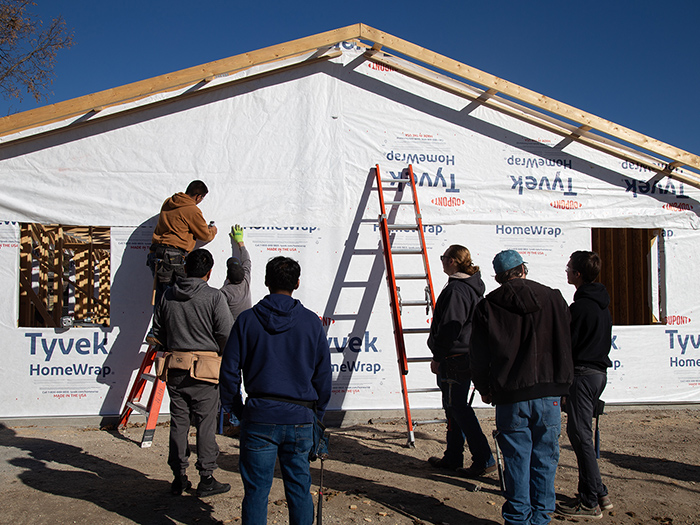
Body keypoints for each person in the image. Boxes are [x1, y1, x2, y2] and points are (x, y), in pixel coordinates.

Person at [220, 256, 331, 525]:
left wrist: (237, 411)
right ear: (297, 283)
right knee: (299, 490)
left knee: (257, 491)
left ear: (266, 282)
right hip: (299, 420)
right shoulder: (311, 323)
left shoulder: (247, 321)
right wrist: (317, 415)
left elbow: (228, 372)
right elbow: (324, 378)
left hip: (260, 417)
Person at [470, 250, 573, 525]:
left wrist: (484, 387)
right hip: (548, 394)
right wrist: (564, 385)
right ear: (523, 270)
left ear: (498, 277)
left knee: (516, 460)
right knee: (545, 460)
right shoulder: (553, 298)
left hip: (511, 395)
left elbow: (478, 355)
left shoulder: (488, 306)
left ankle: (518, 519)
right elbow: (566, 342)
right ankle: (541, 518)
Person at [152, 248, 233, 497]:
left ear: (185, 268)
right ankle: (206, 477)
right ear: (209, 272)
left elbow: (158, 332)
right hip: (206, 372)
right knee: (205, 424)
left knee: (179, 422)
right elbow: (226, 334)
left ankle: (179, 476)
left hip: (175, 367)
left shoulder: (167, 296)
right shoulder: (214, 297)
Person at [426, 245, 495, 478]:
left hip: (454, 357)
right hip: (462, 355)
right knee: (453, 408)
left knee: (458, 408)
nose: (442, 262)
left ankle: (484, 458)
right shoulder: (469, 286)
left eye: (444, 258)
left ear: (454, 261)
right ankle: (453, 456)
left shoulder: (458, 289)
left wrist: (438, 355)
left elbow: (451, 327)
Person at [556, 251, 613, 519]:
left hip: (582, 375)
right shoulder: (600, 304)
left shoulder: (580, 308)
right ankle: (596, 490)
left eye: (569, 268)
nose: (566, 271)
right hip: (596, 374)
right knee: (582, 436)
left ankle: (590, 501)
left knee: (580, 437)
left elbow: (567, 346)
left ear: (578, 274)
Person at [148, 180, 218, 309]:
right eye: (202, 198)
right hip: (173, 258)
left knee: (161, 298)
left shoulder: (168, 202)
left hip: (156, 255)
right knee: (174, 300)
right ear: (198, 196)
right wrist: (212, 230)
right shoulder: (191, 210)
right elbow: (204, 235)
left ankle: (158, 328)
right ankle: (170, 328)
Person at [220, 224, 252, 322]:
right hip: (247, 325)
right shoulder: (246, 280)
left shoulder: (223, 293)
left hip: (232, 329)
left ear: (227, 277)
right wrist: (240, 242)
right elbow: (246, 260)